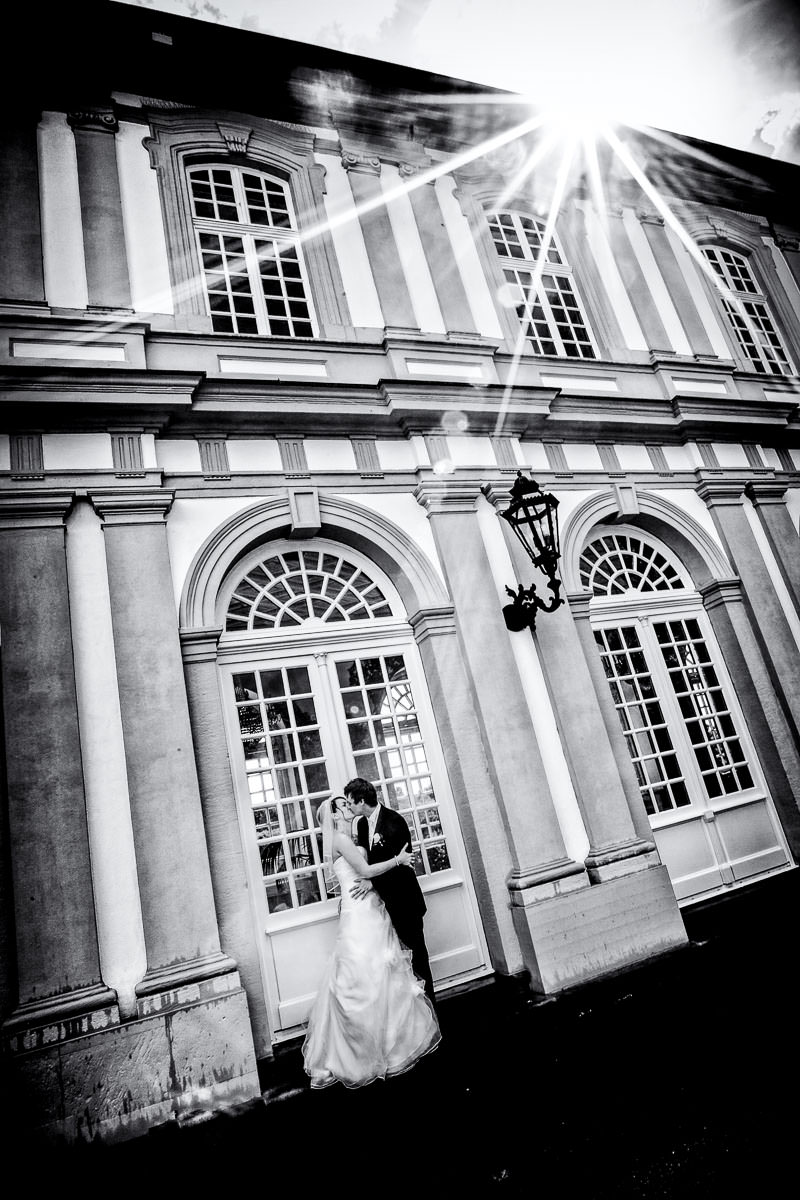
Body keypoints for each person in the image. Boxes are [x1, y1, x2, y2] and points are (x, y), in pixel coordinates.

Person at [302, 795, 440, 1090]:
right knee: (366, 972)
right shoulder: (341, 840)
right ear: (334, 815)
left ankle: (388, 1041)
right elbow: (364, 871)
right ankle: (366, 1049)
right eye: (342, 806)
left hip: (369, 906)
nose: (347, 808)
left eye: (347, 803)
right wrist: (399, 860)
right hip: (359, 911)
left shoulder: (351, 836)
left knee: (381, 971)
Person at [345, 776, 436, 1005]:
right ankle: (411, 1010)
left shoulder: (395, 821)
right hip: (382, 905)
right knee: (397, 960)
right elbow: (368, 862)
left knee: (417, 957)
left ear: (361, 800)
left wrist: (373, 883)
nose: (349, 806)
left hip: (405, 901)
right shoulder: (362, 824)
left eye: (350, 802)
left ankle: (430, 1008)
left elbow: (403, 865)